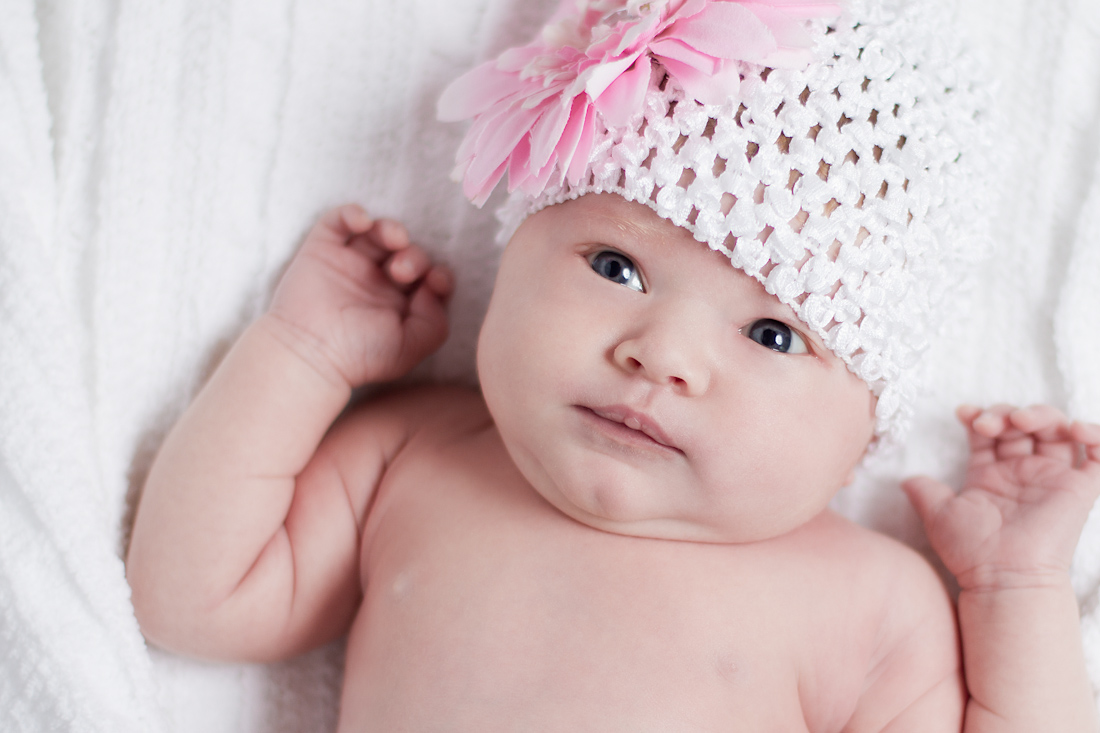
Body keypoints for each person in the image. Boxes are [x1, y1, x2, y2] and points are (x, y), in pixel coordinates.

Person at [126, 0, 1100, 730]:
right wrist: (301, 353)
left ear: (863, 432)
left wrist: (1014, 589)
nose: (661, 354)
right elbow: (191, 600)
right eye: (615, 265)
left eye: (771, 333)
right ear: (508, 257)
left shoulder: (869, 603)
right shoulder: (413, 458)